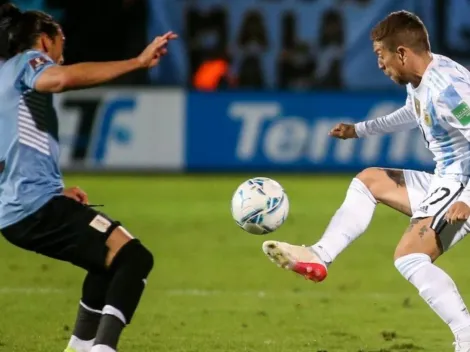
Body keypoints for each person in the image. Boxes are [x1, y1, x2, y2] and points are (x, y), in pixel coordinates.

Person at [262, 10, 470, 352]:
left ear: (401, 52)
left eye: (380, 55)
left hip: (463, 185)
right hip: (446, 180)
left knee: (409, 257)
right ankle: (319, 254)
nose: (379, 64)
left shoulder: (450, 91)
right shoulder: (425, 77)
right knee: (369, 180)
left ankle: (465, 336)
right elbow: (413, 111)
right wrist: (360, 130)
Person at [0, 3, 177, 352]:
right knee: (135, 258)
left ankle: (80, 347)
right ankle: (103, 349)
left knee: (105, 263)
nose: (63, 47)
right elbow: (61, 79)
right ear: (45, 40)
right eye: (61, 38)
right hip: (33, 208)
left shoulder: (3, 76)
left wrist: (53, 191)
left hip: (19, 211)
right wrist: (137, 63)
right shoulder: (28, 63)